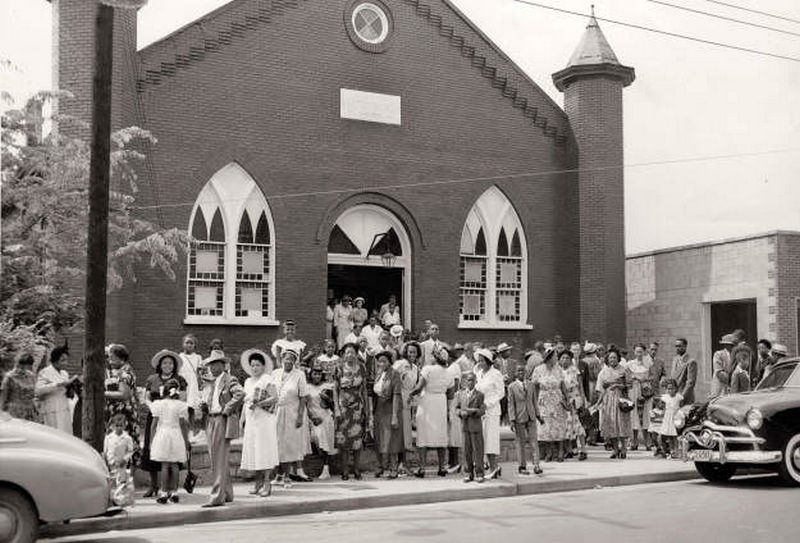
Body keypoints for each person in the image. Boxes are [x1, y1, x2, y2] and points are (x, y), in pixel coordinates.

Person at [200, 350, 244, 508]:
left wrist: (228, 408)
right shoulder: (212, 382)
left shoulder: (229, 379)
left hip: (220, 419)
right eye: (211, 364)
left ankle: (217, 496)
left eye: (216, 364)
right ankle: (226, 493)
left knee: (218, 459)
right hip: (211, 419)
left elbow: (240, 393)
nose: (212, 367)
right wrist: (205, 406)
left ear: (222, 365)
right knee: (218, 459)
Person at [141, 350, 188, 498]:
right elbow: (146, 397)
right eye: (165, 363)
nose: (167, 365)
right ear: (160, 365)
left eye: (170, 363)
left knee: (171, 456)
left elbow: (183, 398)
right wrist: (154, 408)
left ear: (174, 365)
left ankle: (170, 488)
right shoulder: (152, 379)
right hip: (155, 417)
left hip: (172, 418)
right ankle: (153, 485)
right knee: (152, 450)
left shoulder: (179, 380)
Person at [411, 342, 455, 478]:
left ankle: (422, 468)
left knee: (423, 435)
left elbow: (419, 387)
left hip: (427, 401)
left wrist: (410, 394)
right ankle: (442, 467)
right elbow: (451, 394)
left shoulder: (427, 369)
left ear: (435, 357)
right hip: (441, 403)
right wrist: (448, 410)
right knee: (441, 435)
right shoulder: (449, 373)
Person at [240, 350, 279, 497]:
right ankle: (258, 483)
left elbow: (275, 398)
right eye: (252, 365)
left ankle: (267, 483)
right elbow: (245, 402)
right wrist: (241, 420)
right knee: (254, 451)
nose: (255, 368)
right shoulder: (247, 382)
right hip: (251, 420)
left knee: (264, 451)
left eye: (257, 365)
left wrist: (259, 403)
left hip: (264, 420)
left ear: (263, 366)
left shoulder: (266, 379)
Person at [273, 348, 311, 486]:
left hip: (293, 412)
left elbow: (303, 397)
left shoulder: (299, 374)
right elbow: (272, 393)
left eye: (291, 359)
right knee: (277, 443)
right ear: (282, 359)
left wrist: (300, 416)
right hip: (277, 411)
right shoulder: (275, 373)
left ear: (295, 361)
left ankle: (287, 476)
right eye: (286, 358)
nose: (288, 361)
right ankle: (278, 475)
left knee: (289, 444)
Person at [150, 379, 191, 504]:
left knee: (164, 465)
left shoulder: (159, 404)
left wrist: (152, 440)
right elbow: (183, 425)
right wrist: (186, 441)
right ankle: (174, 492)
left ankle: (163, 492)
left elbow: (154, 424)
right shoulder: (180, 405)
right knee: (174, 465)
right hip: (176, 434)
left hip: (162, 434)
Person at [335, 342, 371, 480]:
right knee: (344, 442)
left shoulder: (361, 368)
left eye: (352, 352)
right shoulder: (339, 368)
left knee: (357, 442)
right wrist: (337, 409)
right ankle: (345, 471)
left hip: (357, 408)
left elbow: (364, 390)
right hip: (343, 409)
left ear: (356, 354)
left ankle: (356, 469)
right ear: (344, 354)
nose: (350, 355)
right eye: (347, 352)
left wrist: (367, 409)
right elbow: (335, 389)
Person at [104, 344, 141, 466]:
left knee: (123, 443)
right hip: (116, 412)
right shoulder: (116, 371)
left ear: (121, 359)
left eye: (112, 358)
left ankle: (125, 475)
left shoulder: (124, 373)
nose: (110, 361)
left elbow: (124, 394)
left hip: (124, 413)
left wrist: (103, 394)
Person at [531, 349, 570, 462]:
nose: (557, 358)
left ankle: (560, 452)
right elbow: (534, 387)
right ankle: (549, 452)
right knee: (546, 427)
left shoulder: (559, 370)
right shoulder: (538, 370)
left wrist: (567, 398)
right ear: (549, 357)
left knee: (559, 426)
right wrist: (534, 403)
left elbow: (563, 386)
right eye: (555, 356)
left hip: (557, 400)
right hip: (544, 401)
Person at [595, 347, 632, 459]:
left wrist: (618, 385)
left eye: (614, 357)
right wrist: (598, 403)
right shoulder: (603, 372)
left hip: (621, 400)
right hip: (608, 401)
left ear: (618, 358)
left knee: (621, 425)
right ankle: (615, 449)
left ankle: (624, 449)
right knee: (611, 426)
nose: (612, 360)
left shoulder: (624, 370)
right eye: (610, 357)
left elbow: (630, 385)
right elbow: (600, 389)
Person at [473, 347, 504, 479]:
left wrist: (488, 404)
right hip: (480, 410)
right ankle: (492, 467)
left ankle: (494, 467)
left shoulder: (496, 374)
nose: (480, 363)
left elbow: (501, 393)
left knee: (491, 440)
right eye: (478, 361)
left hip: (492, 411)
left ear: (488, 362)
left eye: (482, 361)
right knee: (482, 440)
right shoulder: (479, 373)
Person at [372, 350, 403, 478]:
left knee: (391, 440)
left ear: (390, 362)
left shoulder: (394, 374)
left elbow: (396, 395)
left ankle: (393, 468)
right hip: (379, 409)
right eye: (379, 361)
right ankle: (380, 467)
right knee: (379, 439)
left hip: (391, 409)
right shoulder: (379, 373)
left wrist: (395, 415)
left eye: (384, 361)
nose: (381, 363)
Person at [507, 365, 543, 475]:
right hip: (519, 417)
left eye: (523, 370)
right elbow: (511, 404)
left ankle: (536, 464)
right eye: (519, 370)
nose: (521, 372)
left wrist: (538, 415)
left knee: (534, 441)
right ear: (515, 373)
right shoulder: (512, 387)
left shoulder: (531, 385)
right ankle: (522, 466)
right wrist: (512, 419)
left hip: (531, 416)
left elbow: (534, 401)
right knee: (520, 442)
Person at [393, 341, 422, 473]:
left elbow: (416, 385)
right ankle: (398, 464)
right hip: (399, 400)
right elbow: (393, 381)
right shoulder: (399, 365)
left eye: (414, 352)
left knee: (406, 434)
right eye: (410, 352)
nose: (412, 354)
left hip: (409, 401)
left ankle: (404, 463)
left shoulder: (415, 368)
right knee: (400, 433)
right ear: (405, 352)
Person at [306, 362, 337, 480]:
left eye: (319, 374)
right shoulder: (307, 387)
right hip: (312, 418)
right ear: (311, 375)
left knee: (323, 439)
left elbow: (331, 405)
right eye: (315, 374)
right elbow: (305, 405)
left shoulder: (327, 386)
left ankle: (326, 469)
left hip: (325, 417)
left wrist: (328, 399)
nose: (317, 376)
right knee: (317, 439)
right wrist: (312, 417)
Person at [455, 373, 486, 483]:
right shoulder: (460, 394)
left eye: (472, 380)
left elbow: (482, 410)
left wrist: (474, 411)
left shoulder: (480, 395)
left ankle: (480, 473)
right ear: (465, 382)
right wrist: (460, 413)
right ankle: (468, 473)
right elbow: (456, 408)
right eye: (468, 380)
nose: (470, 382)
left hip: (476, 426)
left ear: (476, 381)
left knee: (478, 451)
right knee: (466, 451)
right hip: (465, 426)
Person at [560, 350, 588, 460]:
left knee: (577, 425)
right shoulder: (558, 372)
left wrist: (582, 399)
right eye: (563, 358)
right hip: (563, 400)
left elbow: (580, 386)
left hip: (574, 398)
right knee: (566, 425)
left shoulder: (574, 371)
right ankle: (569, 450)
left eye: (567, 358)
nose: (565, 360)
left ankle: (583, 450)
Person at [627, 344, 654, 450]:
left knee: (646, 414)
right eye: (637, 351)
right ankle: (634, 441)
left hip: (645, 390)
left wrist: (645, 380)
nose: (639, 354)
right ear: (634, 352)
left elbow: (653, 377)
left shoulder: (648, 364)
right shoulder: (630, 364)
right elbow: (627, 379)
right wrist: (633, 378)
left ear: (644, 352)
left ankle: (647, 441)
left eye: (641, 351)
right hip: (634, 391)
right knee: (634, 415)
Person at [0, 352, 40, 422]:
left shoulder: (31, 376)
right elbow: (3, 397)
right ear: (17, 363)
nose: (23, 367)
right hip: (14, 411)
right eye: (21, 365)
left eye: (26, 365)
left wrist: (36, 407)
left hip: (29, 410)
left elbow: (34, 394)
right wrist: (1, 413)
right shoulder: (9, 377)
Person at [178, 334, 203, 440]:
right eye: (187, 342)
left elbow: (199, 372)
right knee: (182, 408)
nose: (189, 345)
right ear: (183, 344)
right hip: (183, 384)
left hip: (193, 384)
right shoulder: (179, 357)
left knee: (191, 408)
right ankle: (182, 431)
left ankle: (192, 430)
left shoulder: (198, 357)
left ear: (195, 345)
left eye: (191, 343)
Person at [445, 344, 464, 473]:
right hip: (449, 401)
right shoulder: (449, 367)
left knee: (453, 434)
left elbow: (456, 385)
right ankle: (451, 462)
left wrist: (453, 403)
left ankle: (455, 463)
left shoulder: (454, 367)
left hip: (453, 401)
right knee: (449, 434)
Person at [659, 379, 683, 457]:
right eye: (668, 389)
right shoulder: (665, 397)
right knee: (669, 434)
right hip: (667, 417)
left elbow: (681, 407)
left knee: (675, 435)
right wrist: (662, 411)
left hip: (675, 417)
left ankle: (677, 450)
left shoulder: (678, 397)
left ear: (676, 388)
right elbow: (662, 406)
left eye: (672, 388)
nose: (670, 390)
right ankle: (671, 449)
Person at [670, 338, 697, 405]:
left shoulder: (691, 361)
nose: (677, 348)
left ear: (685, 347)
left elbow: (690, 383)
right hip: (674, 396)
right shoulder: (675, 360)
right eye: (676, 346)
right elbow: (672, 378)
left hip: (685, 397)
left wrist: (681, 397)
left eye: (679, 346)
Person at [710, 334, 735, 399]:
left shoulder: (736, 355)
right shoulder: (719, 354)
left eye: (733, 345)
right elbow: (718, 371)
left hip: (732, 388)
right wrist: (731, 380)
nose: (731, 347)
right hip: (720, 387)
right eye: (730, 345)